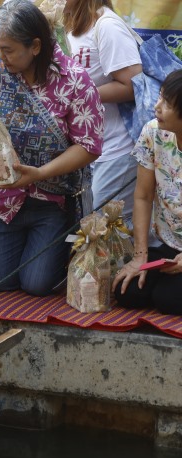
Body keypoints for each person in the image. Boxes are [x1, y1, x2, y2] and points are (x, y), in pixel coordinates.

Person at [0, 0, 104, 297]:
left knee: (36, 284)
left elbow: (89, 146)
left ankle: (62, 244)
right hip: (4, 198)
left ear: (36, 46)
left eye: (8, 50)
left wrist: (39, 173)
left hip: (52, 199)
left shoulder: (75, 81)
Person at [65, 0, 142, 226]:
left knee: (106, 231)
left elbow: (132, 84)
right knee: (94, 229)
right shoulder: (69, 26)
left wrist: (80, 96)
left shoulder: (106, 24)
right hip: (85, 151)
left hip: (116, 147)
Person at [113, 70, 182, 315]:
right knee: (127, 292)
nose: (157, 107)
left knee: (168, 300)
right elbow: (142, 196)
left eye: (167, 104)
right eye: (160, 97)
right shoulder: (153, 133)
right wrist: (139, 256)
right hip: (170, 244)